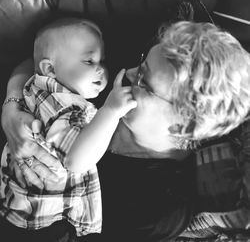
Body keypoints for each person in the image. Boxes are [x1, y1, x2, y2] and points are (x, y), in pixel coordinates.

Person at [2, 21, 250, 241]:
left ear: (183, 126)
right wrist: (11, 107)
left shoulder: (157, 212)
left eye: (144, 80)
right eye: (142, 61)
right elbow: (37, 60)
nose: (129, 73)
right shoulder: (121, 75)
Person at [0, 17, 137, 241]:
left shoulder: (38, 86)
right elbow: (77, 161)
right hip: (42, 219)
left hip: (18, 202)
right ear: (50, 69)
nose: (102, 69)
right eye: (89, 61)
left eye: (102, 61)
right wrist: (110, 111)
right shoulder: (67, 107)